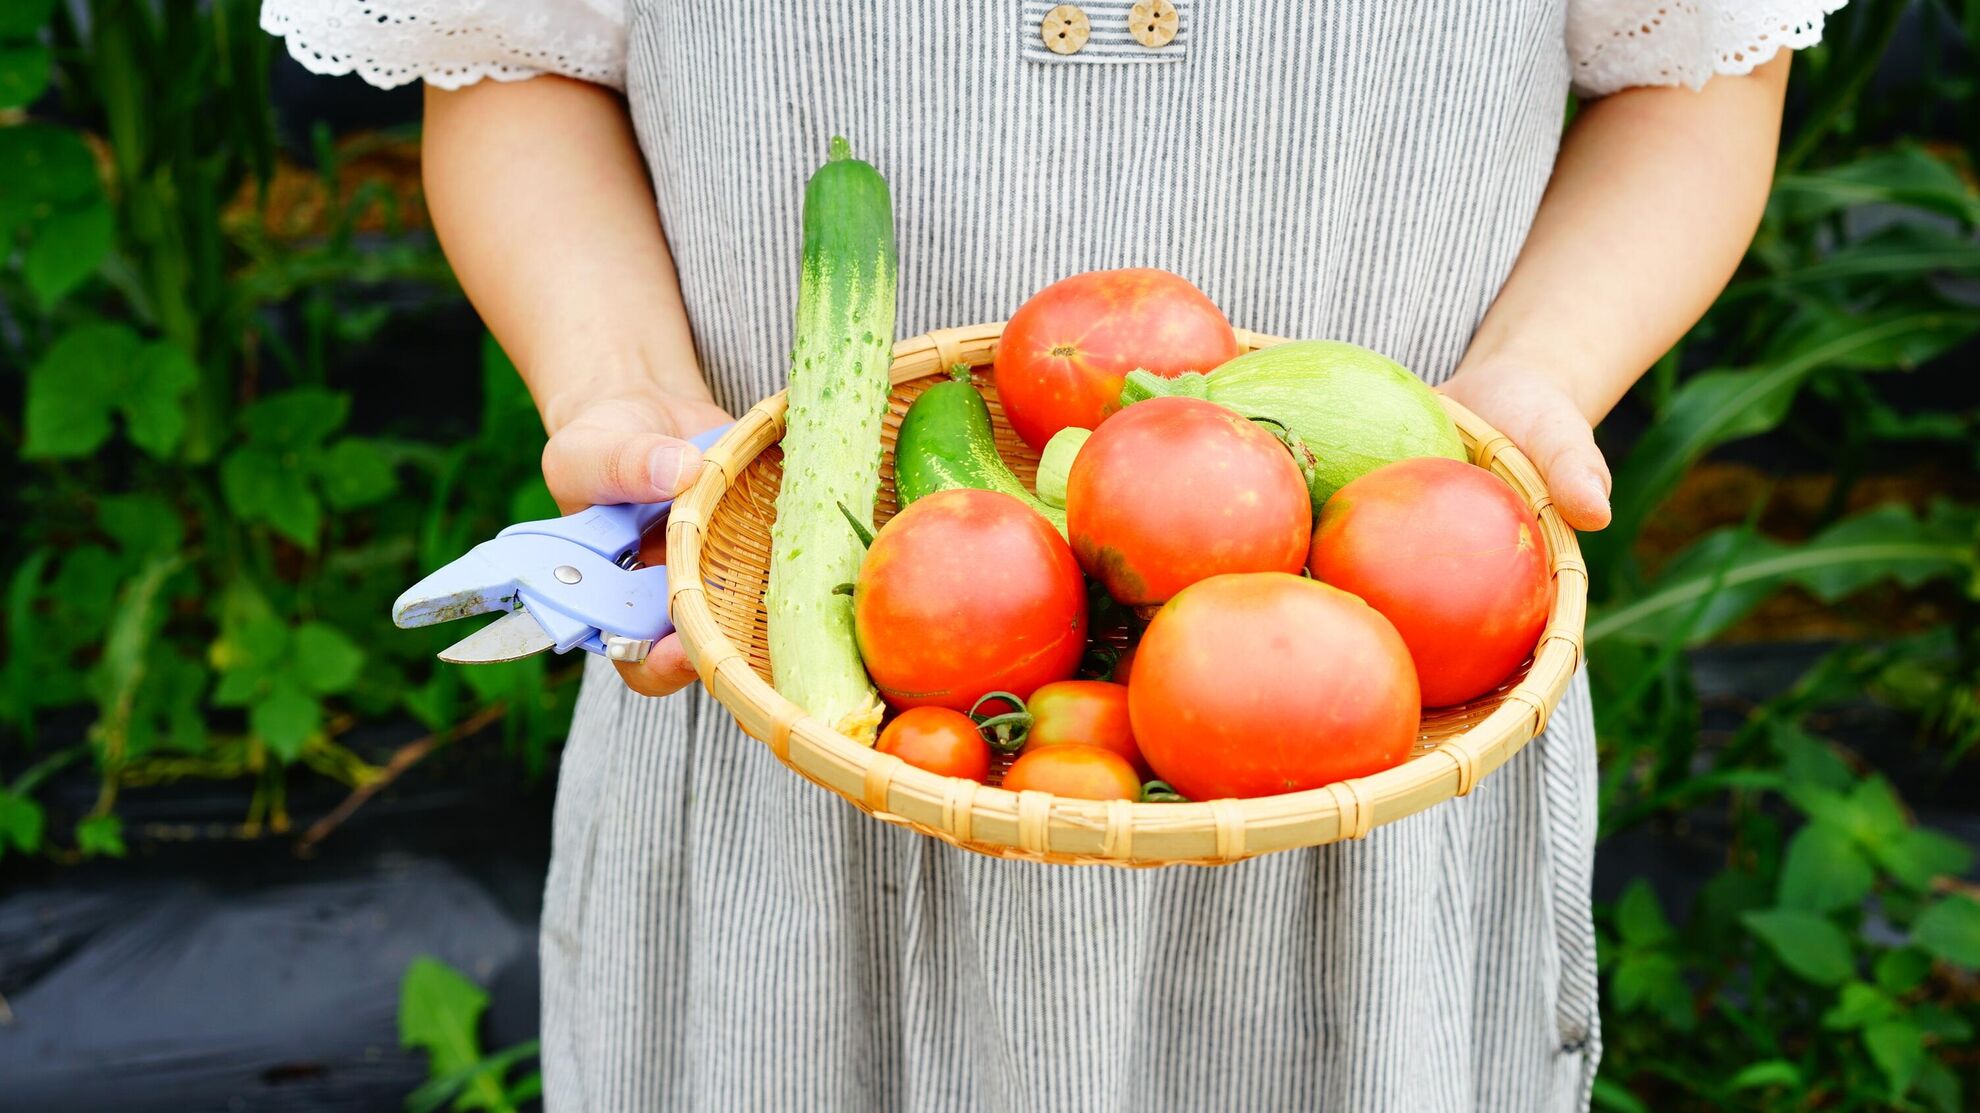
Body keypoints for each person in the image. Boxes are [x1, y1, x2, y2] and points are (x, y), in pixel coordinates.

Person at [264, 2, 1841, 1108]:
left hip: (1375, 756)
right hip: (799, 749)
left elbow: (1700, 64)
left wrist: (1537, 383)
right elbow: (509, 59)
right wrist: (620, 388)